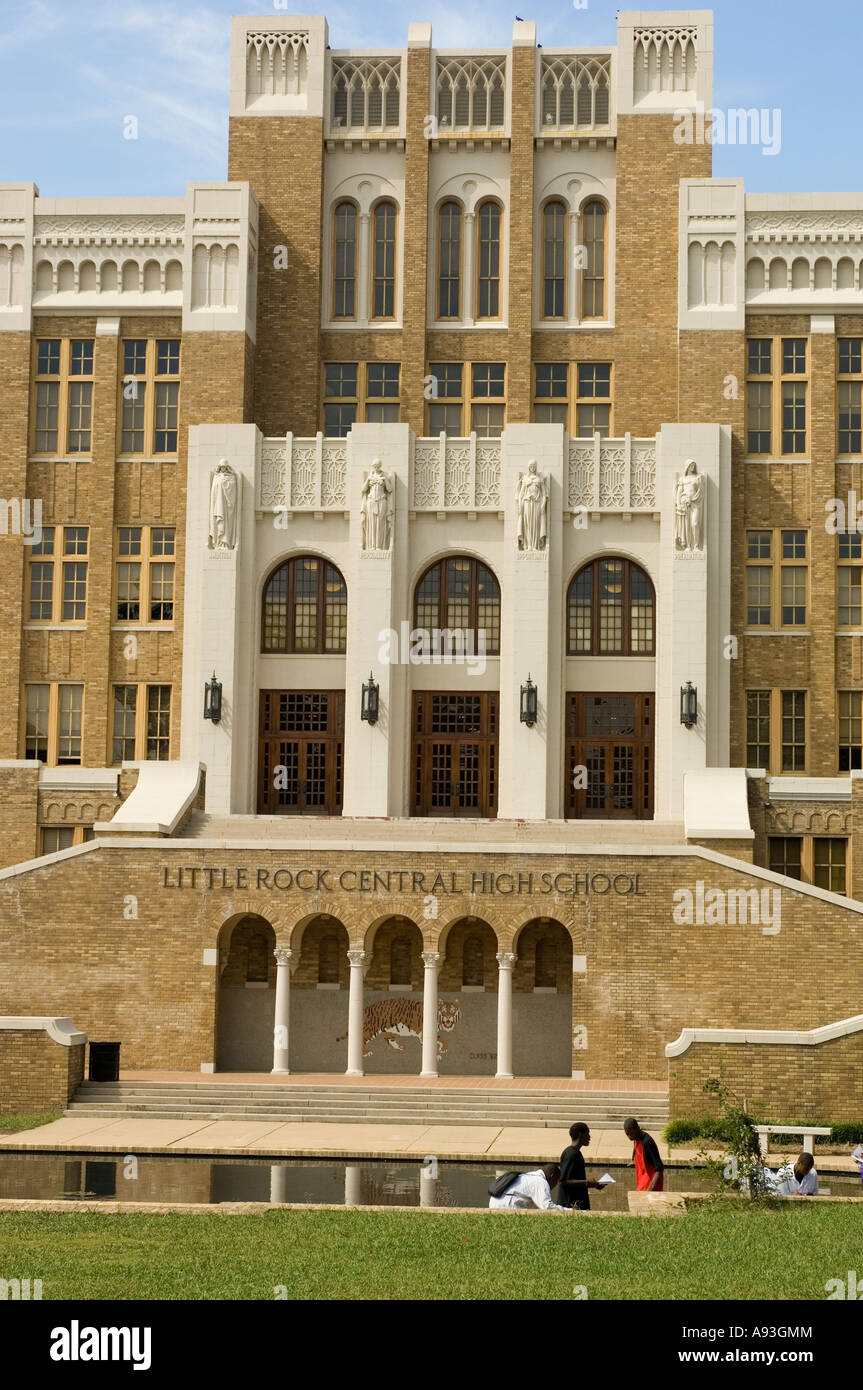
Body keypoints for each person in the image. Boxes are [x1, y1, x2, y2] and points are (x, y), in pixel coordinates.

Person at [558, 1122, 606, 1211]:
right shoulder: (570, 1154)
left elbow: (574, 1178)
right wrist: (587, 1182)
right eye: (587, 1134)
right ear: (580, 1134)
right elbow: (563, 1181)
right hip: (570, 1205)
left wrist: (594, 1184)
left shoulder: (576, 1153)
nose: (589, 1137)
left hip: (578, 1203)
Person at [488, 1164, 571, 1211]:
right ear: (552, 1176)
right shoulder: (540, 1181)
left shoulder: (529, 1175)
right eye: (556, 1181)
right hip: (505, 1205)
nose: (555, 1185)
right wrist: (570, 1211)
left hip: (494, 1202)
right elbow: (547, 1207)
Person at [624, 1117, 665, 1192]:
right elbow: (636, 1150)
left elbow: (659, 1168)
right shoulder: (636, 1138)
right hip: (642, 1182)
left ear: (638, 1128)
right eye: (627, 1134)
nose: (629, 1137)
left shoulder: (647, 1142)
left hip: (651, 1186)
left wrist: (649, 1190)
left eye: (631, 1134)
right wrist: (633, 1160)